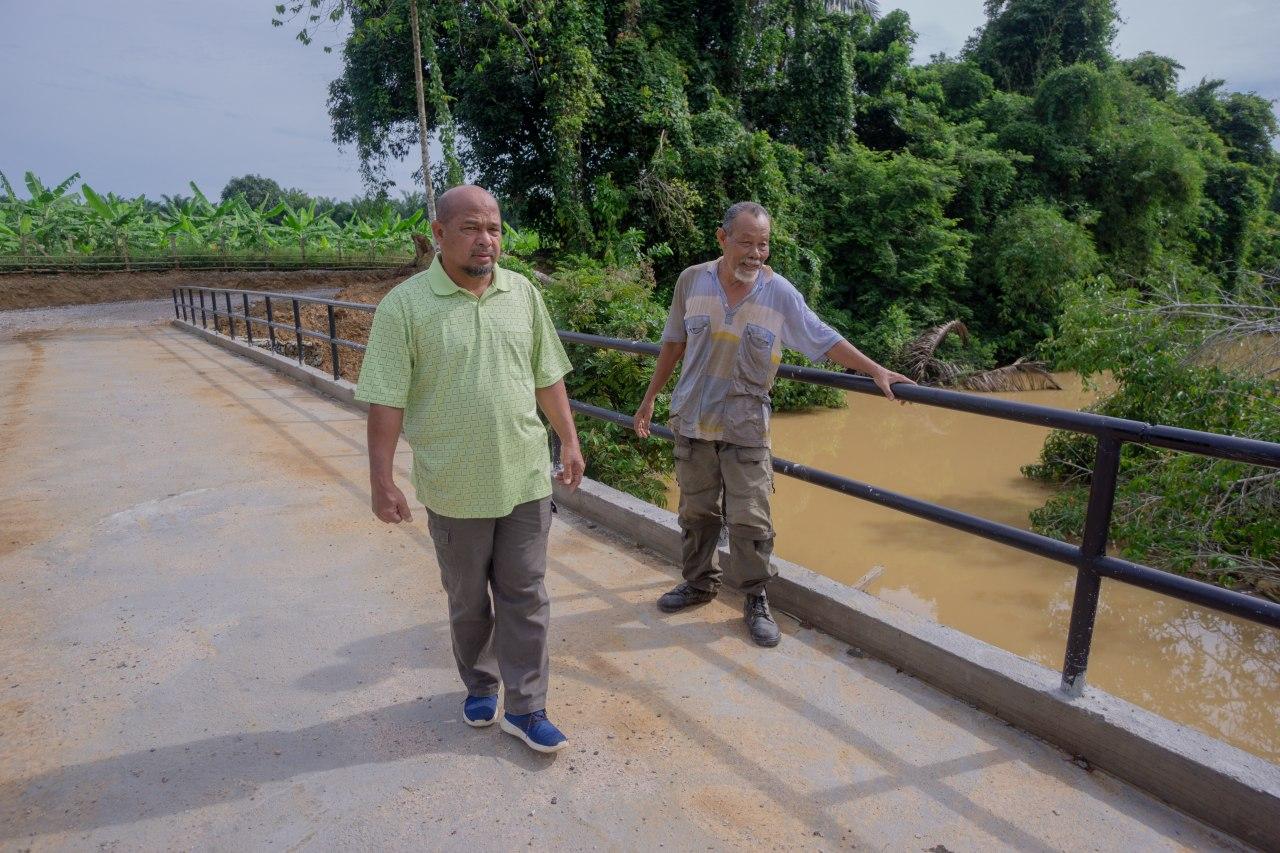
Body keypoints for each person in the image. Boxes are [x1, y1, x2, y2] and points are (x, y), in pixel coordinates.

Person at [355, 185, 584, 753]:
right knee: (467, 600)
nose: (486, 240)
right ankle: (481, 684)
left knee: (525, 593)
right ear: (439, 234)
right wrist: (381, 480)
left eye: (495, 229)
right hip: (454, 484)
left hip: (524, 477)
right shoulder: (404, 306)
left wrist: (569, 440)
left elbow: (547, 375)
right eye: (471, 228)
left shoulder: (522, 293)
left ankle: (527, 707)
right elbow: (386, 399)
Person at [632, 202, 914, 647]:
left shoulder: (779, 293)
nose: (755, 253)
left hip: (745, 428)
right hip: (693, 422)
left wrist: (875, 369)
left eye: (763, 244)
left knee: (751, 521)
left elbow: (823, 337)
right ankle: (699, 584)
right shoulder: (691, 280)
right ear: (722, 238)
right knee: (696, 514)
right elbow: (673, 343)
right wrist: (649, 398)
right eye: (746, 242)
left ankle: (755, 599)